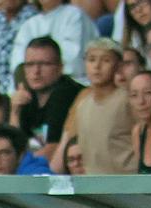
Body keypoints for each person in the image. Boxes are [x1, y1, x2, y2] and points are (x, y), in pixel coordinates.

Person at [56, 38, 135, 173]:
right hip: (92, 185)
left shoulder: (127, 100)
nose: (97, 66)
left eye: (106, 60)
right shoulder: (83, 104)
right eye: (91, 60)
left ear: (118, 66)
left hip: (126, 182)